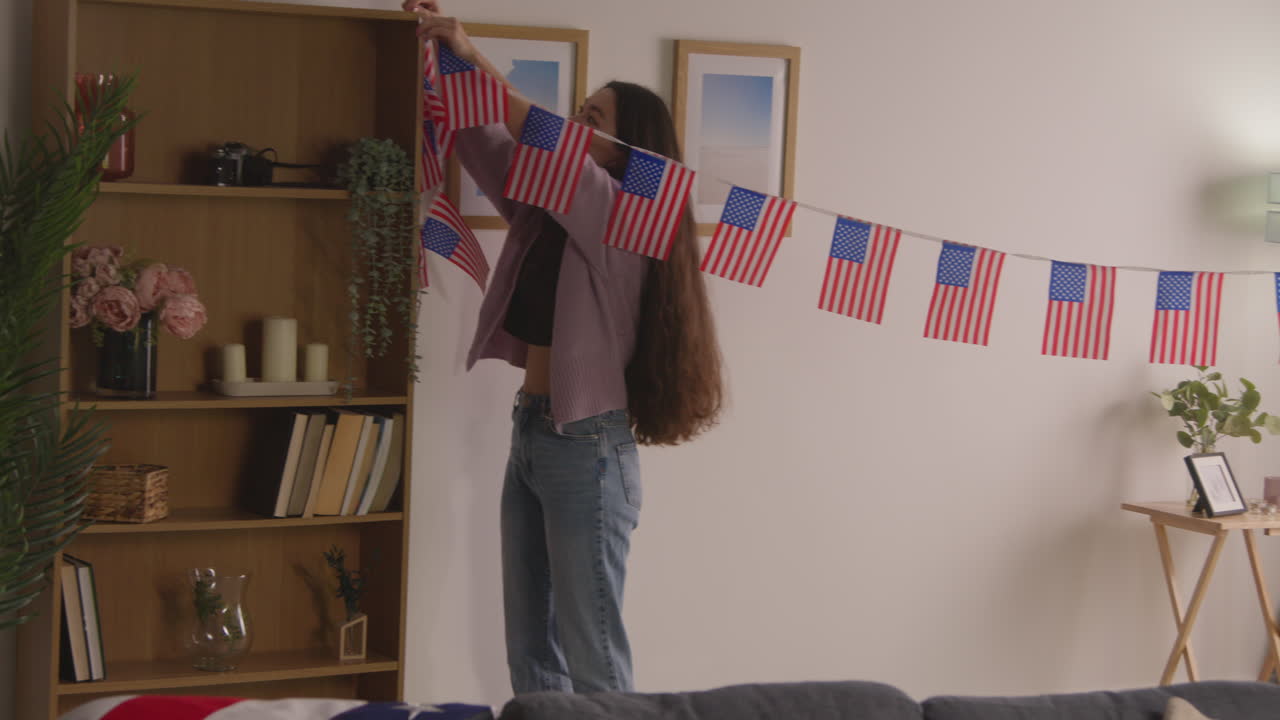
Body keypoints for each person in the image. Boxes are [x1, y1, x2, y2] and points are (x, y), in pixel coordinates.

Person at [404, 0, 725, 695]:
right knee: (530, 649)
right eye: (578, 112)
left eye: (594, 120)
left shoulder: (622, 213)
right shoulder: (547, 211)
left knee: (594, 655)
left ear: (627, 150)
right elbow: (490, 143)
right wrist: (442, 61)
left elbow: (538, 138)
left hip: (586, 447)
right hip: (534, 432)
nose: (578, 125)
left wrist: (469, 48)